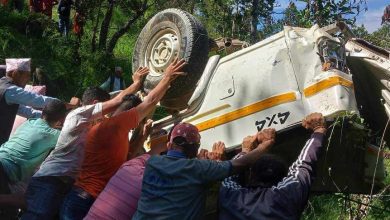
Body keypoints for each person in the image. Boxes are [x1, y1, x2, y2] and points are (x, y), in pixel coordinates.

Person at [22, 58, 185, 220]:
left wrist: (142, 133)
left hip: (74, 194)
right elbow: (148, 101)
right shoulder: (111, 124)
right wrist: (167, 77)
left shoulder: (101, 129)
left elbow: (127, 157)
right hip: (71, 192)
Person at [133, 122, 276, 220]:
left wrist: (205, 163)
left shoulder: (152, 163)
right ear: (195, 148)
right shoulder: (198, 169)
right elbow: (239, 165)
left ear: (169, 144)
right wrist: (263, 146)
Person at [84, 133, 225, 220]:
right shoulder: (155, 186)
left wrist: (171, 145)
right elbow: (193, 184)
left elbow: (154, 153)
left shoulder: (130, 165)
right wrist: (212, 164)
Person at [218, 113, 327, 220]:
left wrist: (246, 150)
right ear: (282, 179)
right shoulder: (287, 194)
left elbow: (231, 170)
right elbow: (304, 164)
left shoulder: (231, 196)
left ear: (251, 174)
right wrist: (318, 129)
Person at [59, 94, 143, 219]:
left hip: (88, 197)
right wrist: (168, 76)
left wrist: (143, 136)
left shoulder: (116, 132)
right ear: (130, 115)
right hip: (82, 197)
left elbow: (124, 161)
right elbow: (151, 100)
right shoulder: (110, 127)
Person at [0, 100, 67, 219]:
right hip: (6, 171)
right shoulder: (54, 135)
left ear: (42, 112)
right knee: (23, 204)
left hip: (2, 159)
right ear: (61, 120)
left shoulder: (30, 122)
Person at [0, 58, 60, 146]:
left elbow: (25, 111)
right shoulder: (11, 91)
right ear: (15, 74)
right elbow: (37, 100)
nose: (28, 79)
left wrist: (49, 118)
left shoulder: (4, 86)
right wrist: (62, 104)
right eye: (27, 75)